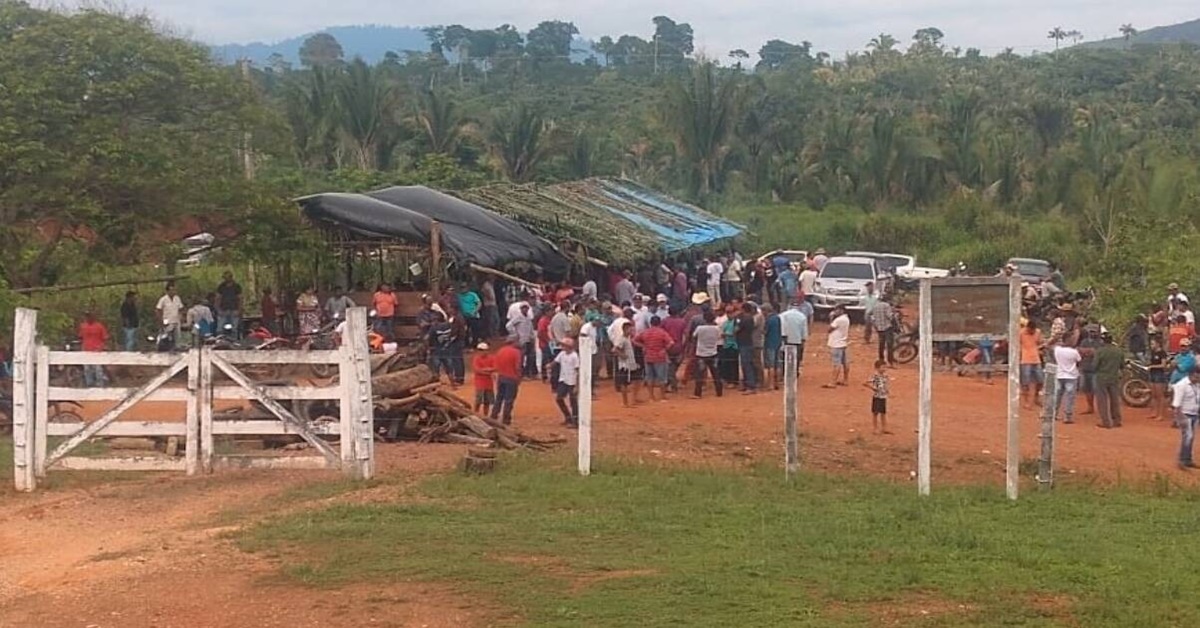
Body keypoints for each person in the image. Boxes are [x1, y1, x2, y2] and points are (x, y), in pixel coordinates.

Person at [635, 316, 675, 402]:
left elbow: (634, 340)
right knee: (662, 378)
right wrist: (664, 349)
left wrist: (643, 346)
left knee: (650, 378)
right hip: (660, 357)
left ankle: (651, 397)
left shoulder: (645, 332)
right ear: (659, 323)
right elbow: (671, 342)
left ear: (650, 323)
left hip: (648, 356)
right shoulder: (662, 332)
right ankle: (662, 396)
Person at [1092, 331, 1124, 429]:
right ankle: (1117, 420)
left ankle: (1106, 421)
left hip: (1102, 377)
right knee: (1115, 399)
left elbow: (1094, 366)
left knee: (1102, 400)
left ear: (1102, 340)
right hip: (1114, 377)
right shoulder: (1118, 351)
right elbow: (1122, 366)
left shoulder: (1100, 351)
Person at [1172, 365, 1200, 470]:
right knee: (1187, 437)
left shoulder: (1197, 385)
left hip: (1194, 414)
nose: (1198, 380)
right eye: (1196, 377)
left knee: (1191, 438)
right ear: (1191, 375)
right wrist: (1181, 419)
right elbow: (1176, 405)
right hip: (1185, 415)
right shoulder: (1181, 385)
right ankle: (1182, 460)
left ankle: (1188, 459)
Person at [491, 335, 523, 425]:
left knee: (499, 398)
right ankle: (506, 419)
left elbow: (496, 365)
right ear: (514, 342)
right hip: (511, 378)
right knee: (509, 400)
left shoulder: (500, 350)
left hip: (501, 377)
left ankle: (494, 416)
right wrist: (519, 377)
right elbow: (517, 367)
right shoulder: (516, 352)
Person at [691, 310, 723, 399]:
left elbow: (694, 337)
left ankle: (697, 393)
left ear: (704, 319)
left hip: (701, 353)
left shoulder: (700, 328)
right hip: (713, 352)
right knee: (716, 373)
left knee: (700, 374)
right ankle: (719, 392)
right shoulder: (717, 328)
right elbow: (720, 336)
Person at [612, 320, 642, 406]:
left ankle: (633, 399)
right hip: (625, 366)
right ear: (625, 329)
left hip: (631, 365)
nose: (631, 331)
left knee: (637, 380)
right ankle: (626, 403)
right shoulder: (621, 339)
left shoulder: (627, 339)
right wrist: (622, 355)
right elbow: (614, 349)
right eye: (630, 330)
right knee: (624, 384)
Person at [1052, 341, 1082, 423]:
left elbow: (1052, 345)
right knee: (1069, 397)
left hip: (1059, 375)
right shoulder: (1074, 352)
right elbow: (1079, 360)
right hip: (1071, 376)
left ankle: (1054, 414)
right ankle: (1067, 417)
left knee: (1057, 395)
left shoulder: (1057, 350)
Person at [553, 338, 580, 428]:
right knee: (559, 398)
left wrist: (577, 385)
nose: (562, 347)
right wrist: (549, 365)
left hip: (572, 381)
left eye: (563, 345)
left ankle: (575, 421)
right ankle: (568, 417)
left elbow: (577, 370)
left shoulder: (574, 356)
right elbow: (556, 361)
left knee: (573, 401)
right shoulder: (562, 354)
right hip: (563, 379)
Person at [505, 303, 537, 378]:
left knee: (530, 357)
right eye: (523, 308)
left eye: (526, 308)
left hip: (529, 339)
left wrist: (532, 337)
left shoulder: (528, 318)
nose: (525, 309)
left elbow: (531, 328)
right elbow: (508, 325)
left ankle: (529, 373)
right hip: (521, 340)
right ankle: (521, 374)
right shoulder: (518, 317)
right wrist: (515, 334)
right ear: (521, 309)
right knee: (521, 358)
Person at [78, 312, 109, 387]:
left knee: (97, 368)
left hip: (96, 349)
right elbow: (80, 336)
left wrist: (101, 347)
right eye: (87, 316)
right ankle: (89, 384)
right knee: (87, 368)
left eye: (89, 316)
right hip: (86, 349)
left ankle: (100, 384)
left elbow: (105, 337)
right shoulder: (83, 326)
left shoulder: (99, 326)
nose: (88, 318)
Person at [779, 300, 810, 375]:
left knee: (784, 357)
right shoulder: (802, 316)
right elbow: (804, 331)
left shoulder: (783, 315)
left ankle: (784, 373)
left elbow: (781, 328)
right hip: (797, 340)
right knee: (796, 358)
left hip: (785, 340)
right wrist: (803, 340)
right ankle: (794, 372)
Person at [824, 305, 850, 388]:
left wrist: (831, 318)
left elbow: (829, 329)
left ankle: (833, 382)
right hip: (843, 343)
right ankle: (845, 380)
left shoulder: (838, 320)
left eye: (837, 310)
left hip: (836, 344)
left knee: (836, 364)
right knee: (845, 363)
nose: (835, 312)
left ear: (842, 310)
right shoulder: (846, 319)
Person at [864, 359, 892, 435]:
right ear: (877, 368)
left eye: (885, 367)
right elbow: (865, 383)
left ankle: (884, 428)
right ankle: (875, 428)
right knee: (875, 413)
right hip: (877, 396)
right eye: (883, 367)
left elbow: (886, 384)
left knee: (883, 413)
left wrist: (887, 391)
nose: (884, 369)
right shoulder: (875, 376)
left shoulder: (885, 376)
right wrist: (873, 388)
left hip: (883, 396)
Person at [1077, 325, 1101, 415]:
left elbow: (1097, 353)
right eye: (1091, 331)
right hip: (1085, 367)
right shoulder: (1084, 341)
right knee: (1086, 389)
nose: (1092, 333)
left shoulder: (1100, 342)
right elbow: (1079, 351)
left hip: (1095, 369)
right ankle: (1090, 407)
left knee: (1096, 389)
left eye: (1094, 331)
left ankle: (1100, 408)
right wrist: (1090, 351)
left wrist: (1086, 351)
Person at [735, 303, 758, 394]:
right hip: (747, 342)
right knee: (747, 364)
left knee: (746, 364)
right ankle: (747, 384)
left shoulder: (745, 319)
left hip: (745, 343)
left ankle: (750, 386)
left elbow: (736, 329)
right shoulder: (750, 318)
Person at [869, 295, 896, 367]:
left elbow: (872, 318)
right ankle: (890, 362)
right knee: (889, 345)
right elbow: (889, 316)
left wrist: (876, 326)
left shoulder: (875, 306)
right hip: (887, 328)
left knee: (881, 345)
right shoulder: (887, 306)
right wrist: (894, 314)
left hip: (879, 328)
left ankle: (881, 360)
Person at [215, 271, 243, 338]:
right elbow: (218, 298)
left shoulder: (237, 286)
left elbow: (240, 299)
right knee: (220, 328)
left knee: (234, 328)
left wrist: (239, 309)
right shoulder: (221, 286)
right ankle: (220, 340)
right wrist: (218, 309)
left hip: (234, 309)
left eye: (228, 277)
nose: (227, 279)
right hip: (223, 310)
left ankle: (234, 341)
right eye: (225, 277)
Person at [1148, 336, 1170, 421]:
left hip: (1159, 374)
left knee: (1160, 395)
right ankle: (1153, 412)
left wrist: (1152, 366)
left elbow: (1163, 365)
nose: (1151, 345)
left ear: (1158, 344)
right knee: (1153, 394)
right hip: (1152, 373)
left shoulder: (1162, 353)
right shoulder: (1153, 352)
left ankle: (1160, 414)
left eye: (1152, 343)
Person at [472, 342, 496, 415]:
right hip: (480, 384)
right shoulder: (476, 358)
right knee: (478, 400)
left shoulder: (491, 358)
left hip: (488, 384)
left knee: (487, 401)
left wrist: (484, 370)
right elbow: (477, 370)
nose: (482, 352)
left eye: (483, 350)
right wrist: (488, 371)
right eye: (480, 350)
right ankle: (475, 414)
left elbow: (495, 368)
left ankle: (485, 415)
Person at [762, 304, 782, 390]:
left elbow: (765, 331)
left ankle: (771, 384)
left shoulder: (769, 320)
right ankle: (776, 382)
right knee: (776, 363)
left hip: (770, 343)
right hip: (777, 342)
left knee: (771, 364)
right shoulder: (777, 318)